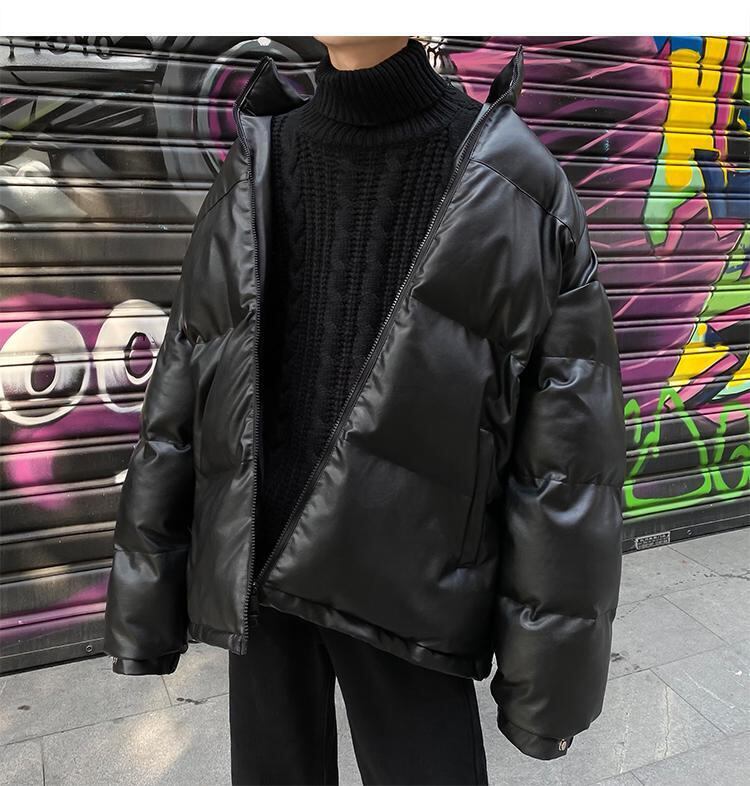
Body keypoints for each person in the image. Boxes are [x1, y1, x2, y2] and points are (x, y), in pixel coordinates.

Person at [103, 35, 626, 786]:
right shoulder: (257, 156)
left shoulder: (517, 181)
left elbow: (569, 456)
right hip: (258, 567)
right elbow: (185, 374)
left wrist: (550, 680)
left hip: (410, 589)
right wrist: (148, 588)